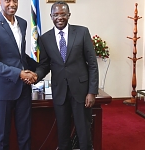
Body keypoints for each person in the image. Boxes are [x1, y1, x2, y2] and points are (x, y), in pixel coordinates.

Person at [34, 1, 99, 150]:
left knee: (84, 134)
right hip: (59, 92)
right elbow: (44, 65)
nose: (59, 17)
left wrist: (92, 91)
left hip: (81, 92)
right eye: (56, 14)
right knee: (63, 134)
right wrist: (35, 76)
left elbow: (92, 64)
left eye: (63, 14)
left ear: (69, 15)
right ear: (51, 16)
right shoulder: (45, 39)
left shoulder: (82, 32)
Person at [0, 0, 37, 149]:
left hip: (23, 90)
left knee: (25, 136)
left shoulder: (23, 23)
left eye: (15, 0)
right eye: (7, 0)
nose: (12, 4)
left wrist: (38, 70)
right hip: (2, 91)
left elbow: (19, 56)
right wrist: (20, 74)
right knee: (3, 138)